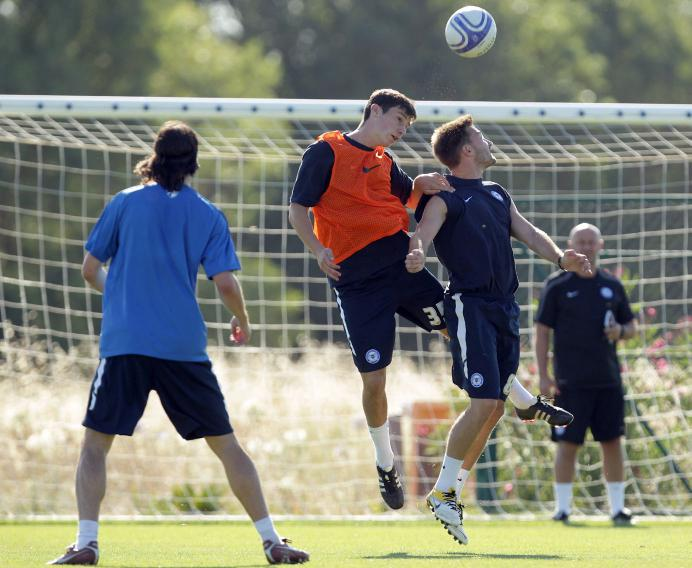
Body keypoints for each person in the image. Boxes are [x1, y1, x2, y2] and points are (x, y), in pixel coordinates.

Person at [49, 121, 309, 566]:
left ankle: (86, 544)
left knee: (95, 446)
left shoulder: (124, 203)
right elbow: (225, 282)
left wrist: (121, 293)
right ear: (193, 163)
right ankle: (271, 541)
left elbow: (90, 270)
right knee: (227, 446)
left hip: (126, 343)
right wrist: (241, 318)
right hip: (182, 347)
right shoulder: (207, 213)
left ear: (154, 155)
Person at [406, 114, 587, 544]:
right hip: (470, 305)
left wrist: (562, 258)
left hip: (505, 306)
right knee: (484, 399)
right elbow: (423, 234)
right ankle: (445, 491)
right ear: (467, 150)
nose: (488, 142)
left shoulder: (497, 192)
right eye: (481, 137)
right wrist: (416, 254)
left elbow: (527, 232)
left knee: (494, 407)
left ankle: (451, 486)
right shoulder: (445, 196)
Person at [289, 88, 453, 510]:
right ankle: (386, 463)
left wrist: (422, 184)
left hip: (401, 264)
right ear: (374, 111)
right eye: (399, 120)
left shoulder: (385, 161)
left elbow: (407, 199)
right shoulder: (326, 152)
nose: (402, 131)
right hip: (357, 282)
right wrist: (317, 250)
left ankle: (518, 395)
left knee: (460, 324)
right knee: (375, 377)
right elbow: (297, 209)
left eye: (408, 126)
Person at [535, 222, 637, 525]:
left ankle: (618, 508)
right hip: (569, 383)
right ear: (571, 245)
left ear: (601, 245)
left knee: (613, 442)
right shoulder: (557, 285)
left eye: (592, 242)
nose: (587, 246)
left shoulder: (612, 285)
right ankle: (562, 509)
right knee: (567, 445)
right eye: (582, 241)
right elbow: (541, 332)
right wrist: (544, 375)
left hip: (607, 381)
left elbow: (631, 327)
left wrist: (620, 330)